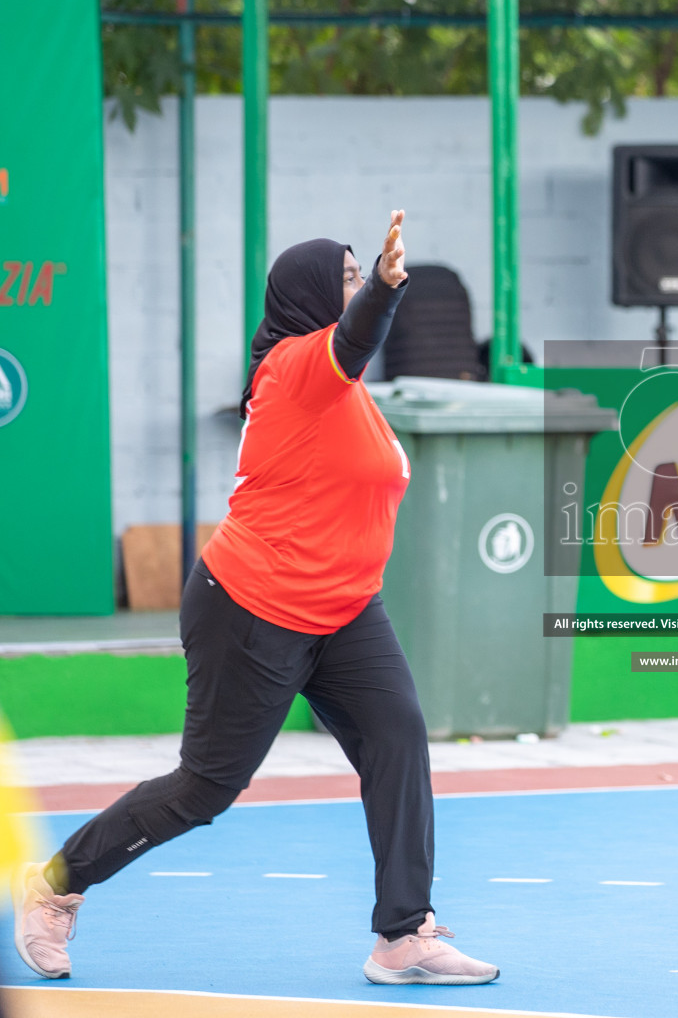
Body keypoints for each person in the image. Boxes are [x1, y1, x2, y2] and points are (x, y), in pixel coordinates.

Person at [11, 212, 500, 986]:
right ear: (310, 296)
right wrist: (381, 285)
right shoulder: (293, 367)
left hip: (343, 607)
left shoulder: (346, 395)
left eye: (354, 275)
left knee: (397, 737)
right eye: (340, 276)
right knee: (206, 786)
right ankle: (56, 886)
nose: (352, 285)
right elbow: (352, 338)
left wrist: (372, 289)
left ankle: (403, 935)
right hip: (252, 607)